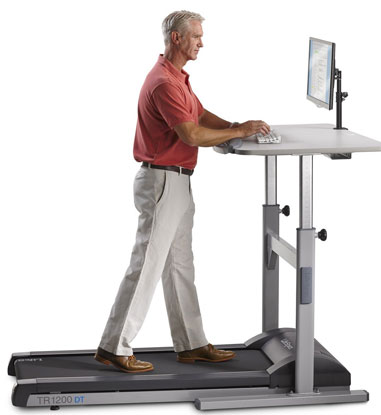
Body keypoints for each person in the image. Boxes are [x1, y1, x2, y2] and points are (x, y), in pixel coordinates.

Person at [94, 10, 270, 373]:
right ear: (176, 38)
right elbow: (190, 134)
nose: (201, 42)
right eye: (196, 36)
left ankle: (190, 343)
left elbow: (200, 115)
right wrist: (237, 134)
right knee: (147, 265)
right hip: (162, 181)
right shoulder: (163, 82)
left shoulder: (178, 78)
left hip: (178, 180)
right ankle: (114, 345)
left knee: (179, 266)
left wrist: (238, 125)